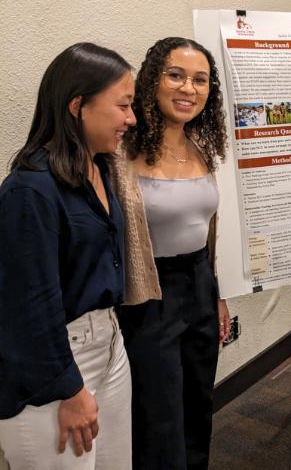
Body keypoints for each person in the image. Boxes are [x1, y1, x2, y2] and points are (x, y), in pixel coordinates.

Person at [0, 43, 135, 468]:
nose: (131, 119)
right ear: (78, 106)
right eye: (124, 106)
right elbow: (26, 309)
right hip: (56, 364)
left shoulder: (100, 166)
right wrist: (69, 389)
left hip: (110, 345)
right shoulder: (30, 191)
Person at [115, 37, 230, 469]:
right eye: (176, 75)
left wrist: (217, 293)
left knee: (198, 403)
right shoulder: (122, 154)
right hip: (148, 295)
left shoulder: (203, 148)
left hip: (199, 285)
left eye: (200, 80)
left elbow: (205, 231)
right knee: (157, 414)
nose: (189, 89)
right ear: (151, 83)